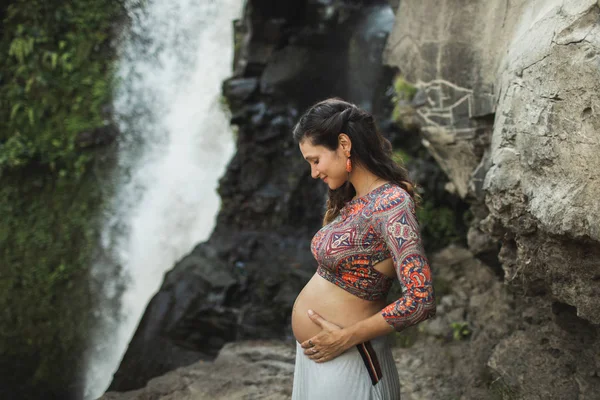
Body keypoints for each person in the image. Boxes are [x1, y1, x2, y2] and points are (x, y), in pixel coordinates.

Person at [290, 98, 436, 399]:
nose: (314, 172)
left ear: (344, 144)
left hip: (351, 359)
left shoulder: (392, 204)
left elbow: (420, 299)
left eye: (315, 160)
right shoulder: (351, 199)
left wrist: (345, 338)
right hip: (320, 358)